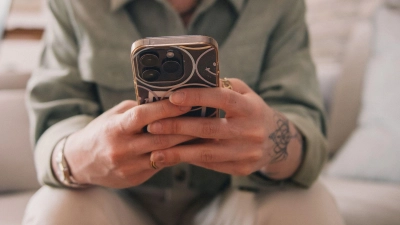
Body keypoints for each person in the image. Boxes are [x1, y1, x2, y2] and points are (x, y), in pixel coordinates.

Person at [23, 0, 345, 224]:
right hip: (117, 200)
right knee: (56, 210)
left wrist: (273, 140)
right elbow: (55, 118)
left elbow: (305, 130)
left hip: (233, 196)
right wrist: (79, 155)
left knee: (308, 206)